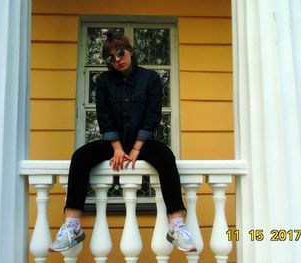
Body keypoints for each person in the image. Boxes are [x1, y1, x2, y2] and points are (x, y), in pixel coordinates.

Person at [49, 31, 197, 253]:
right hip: (113, 143)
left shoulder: (151, 79)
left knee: (166, 157)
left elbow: (153, 114)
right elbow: (104, 116)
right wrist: (117, 148)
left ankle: (176, 225)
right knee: (80, 157)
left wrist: (137, 148)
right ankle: (72, 226)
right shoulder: (103, 82)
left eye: (119, 52)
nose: (117, 59)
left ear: (130, 51)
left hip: (143, 142)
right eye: (110, 57)